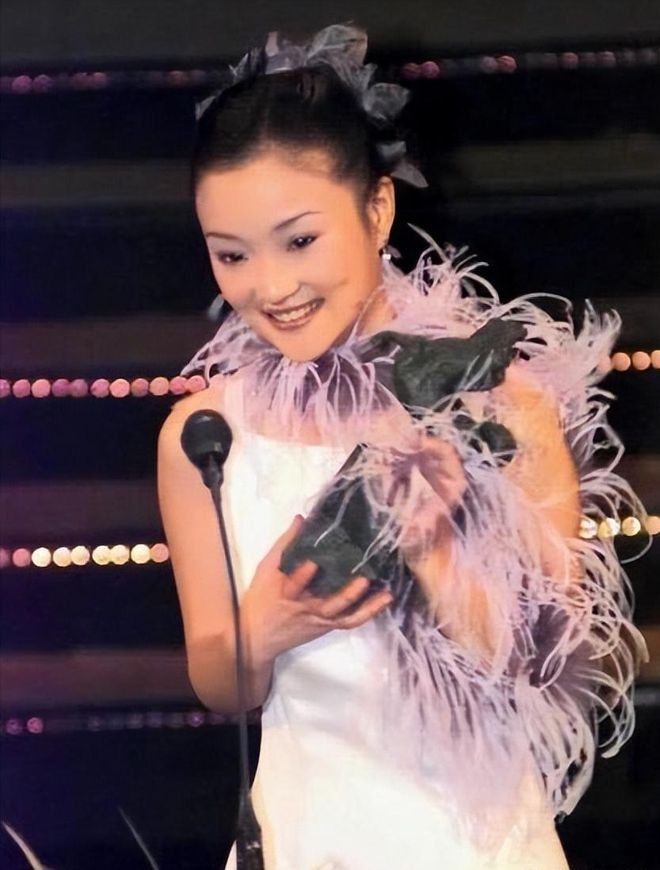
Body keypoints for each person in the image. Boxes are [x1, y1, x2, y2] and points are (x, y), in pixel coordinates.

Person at [156, 24, 649, 870]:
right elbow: (217, 679)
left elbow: (555, 670)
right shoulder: (203, 435)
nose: (270, 286)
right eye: (231, 255)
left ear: (378, 208)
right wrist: (259, 630)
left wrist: (439, 556)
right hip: (302, 838)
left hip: (476, 845)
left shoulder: (500, 399)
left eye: (300, 240)